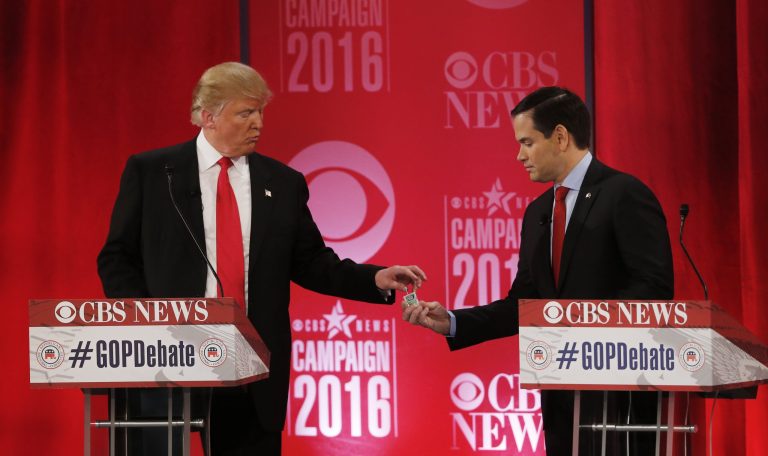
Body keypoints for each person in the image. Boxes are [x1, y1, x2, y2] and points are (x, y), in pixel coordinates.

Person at [97, 61, 426, 456]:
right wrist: (147, 327)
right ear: (208, 117)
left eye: (260, 112)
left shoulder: (283, 183)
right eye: (246, 112)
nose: (259, 123)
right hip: (170, 361)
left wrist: (373, 278)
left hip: (252, 363)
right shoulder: (153, 173)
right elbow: (117, 258)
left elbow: (311, 262)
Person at [403, 86, 673, 455]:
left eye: (527, 142)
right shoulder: (537, 213)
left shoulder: (624, 194)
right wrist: (452, 321)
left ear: (560, 137)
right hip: (560, 397)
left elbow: (653, 288)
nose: (519, 155)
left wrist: (581, 333)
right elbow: (525, 304)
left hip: (618, 397)